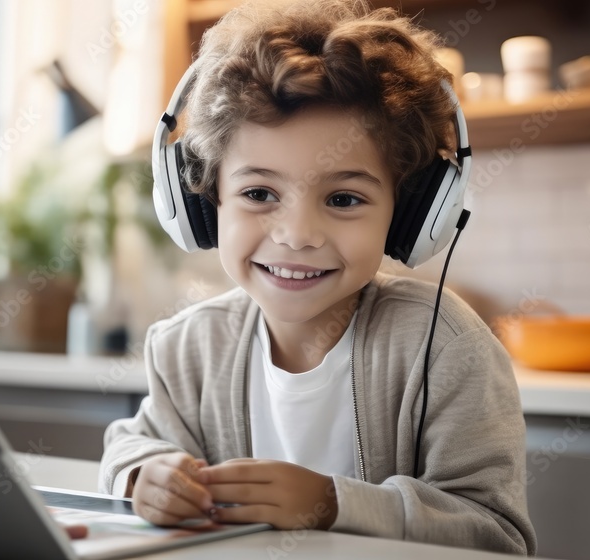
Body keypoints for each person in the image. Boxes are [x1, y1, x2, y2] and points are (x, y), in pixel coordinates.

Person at [100, 0, 536, 555]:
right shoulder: (188, 348)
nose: (298, 234)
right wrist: (144, 476)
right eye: (259, 193)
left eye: (343, 198)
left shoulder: (444, 349)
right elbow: (129, 444)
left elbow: (497, 535)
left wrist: (333, 505)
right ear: (206, 204)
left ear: (407, 215)